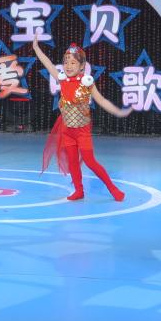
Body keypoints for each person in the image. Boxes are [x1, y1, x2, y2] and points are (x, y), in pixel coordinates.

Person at [31, 34, 131, 201]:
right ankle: (79, 190)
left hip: (82, 131)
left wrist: (118, 112)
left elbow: (101, 100)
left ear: (82, 65)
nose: (68, 66)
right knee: (72, 161)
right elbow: (47, 63)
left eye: (73, 63)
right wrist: (36, 48)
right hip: (67, 129)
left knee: (90, 161)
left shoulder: (87, 83)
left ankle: (113, 189)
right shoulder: (62, 79)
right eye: (66, 62)